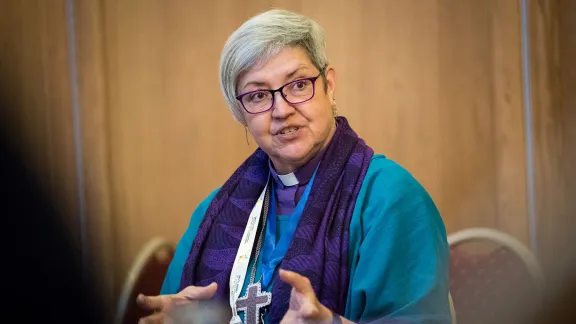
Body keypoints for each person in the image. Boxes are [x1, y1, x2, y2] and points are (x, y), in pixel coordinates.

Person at [137, 9, 451, 324]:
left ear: (329, 86)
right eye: (259, 95)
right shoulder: (211, 214)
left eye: (299, 85)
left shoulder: (389, 200)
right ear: (240, 113)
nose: (282, 110)